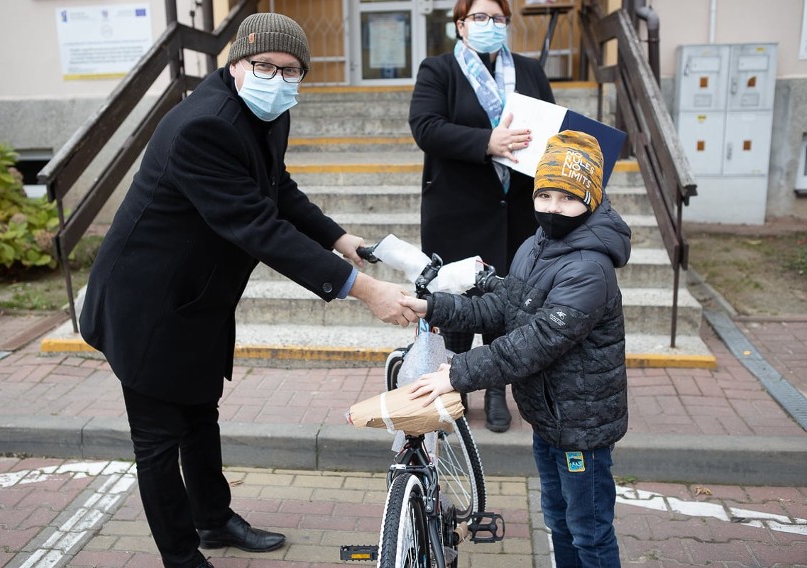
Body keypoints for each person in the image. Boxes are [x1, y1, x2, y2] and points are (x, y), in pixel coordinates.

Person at [79, 13, 417, 568]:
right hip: (146, 306)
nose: (279, 79)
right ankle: (182, 557)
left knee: (200, 413)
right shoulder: (202, 126)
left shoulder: (267, 110)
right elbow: (258, 228)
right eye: (265, 66)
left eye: (292, 71)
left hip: (198, 298)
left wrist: (340, 239)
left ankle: (214, 520)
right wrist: (364, 289)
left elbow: (275, 188)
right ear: (236, 63)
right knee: (159, 442)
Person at [401, 130, 631, 567]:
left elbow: (536, 342)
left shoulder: (590, 268)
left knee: (590, 533)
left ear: (592, 200)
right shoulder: (535, 246)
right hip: (548, 419)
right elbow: (502, 308)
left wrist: (457, 372)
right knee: (559, 521)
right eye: (544, 195)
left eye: (567, 198)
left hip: (580, 426)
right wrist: (433, 306)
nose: (551, 208)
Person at [408, 0, 555, 432]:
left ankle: (495, 390)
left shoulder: (529, 71)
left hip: (516, 212)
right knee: (455, 305)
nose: (490, 25)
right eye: (480, 17)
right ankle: (453, 390)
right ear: (460, 24)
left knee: (505, 306)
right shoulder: (438, 70)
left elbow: (552, 129)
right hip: (458, 209)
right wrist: (487, 142)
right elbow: (426, 127)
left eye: (498, 18)